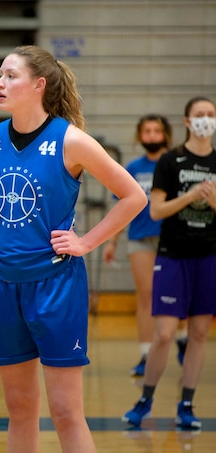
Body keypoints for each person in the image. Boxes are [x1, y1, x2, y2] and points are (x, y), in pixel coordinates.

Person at [0, 45, 146, 453]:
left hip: (55, 287)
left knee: (65, 411)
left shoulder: (72, 141)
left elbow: (133, 197)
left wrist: (86, 242)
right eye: (0, 74)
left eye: (10, 76)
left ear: (38, 85)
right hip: (1, 284)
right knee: (20, 408)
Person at [122, 96, 216, 430]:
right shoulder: (171, 161)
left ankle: (186, 404)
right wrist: (191, 196)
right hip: (173, 254)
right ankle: (145, 400)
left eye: (211, 115)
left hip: (208, 255)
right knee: (164, 334)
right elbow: (156, 210)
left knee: (200, 333)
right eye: (199, 115)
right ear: (188, 121)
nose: (206, 119)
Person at [102, 114, 188, 376]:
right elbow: (123, 206)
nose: (152, 136)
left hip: (172, 238)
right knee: (146, 295)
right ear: (140, 136)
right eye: (147, 131)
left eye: (156, 131)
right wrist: (112, 241)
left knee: (177, 294)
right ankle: (145, 355)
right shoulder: (133, 167)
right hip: (139, 237)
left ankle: (182, 338)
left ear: (166, 135)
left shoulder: (175, 163)